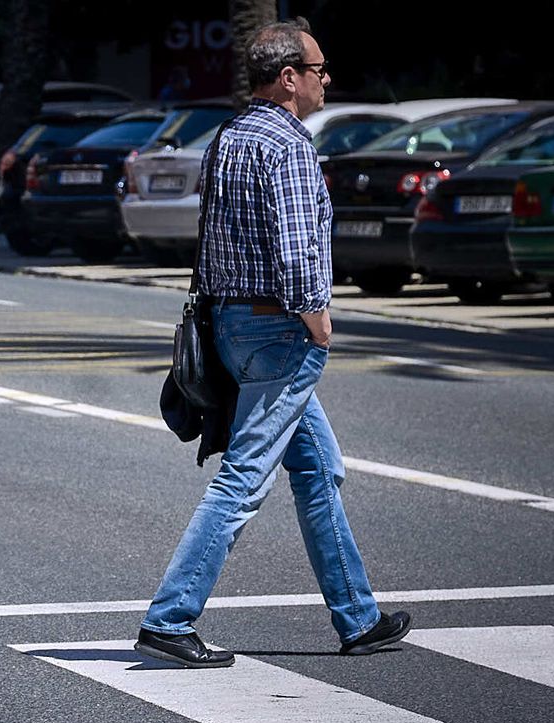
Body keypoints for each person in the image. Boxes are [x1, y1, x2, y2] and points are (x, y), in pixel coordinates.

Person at [134, 21, 412, 669]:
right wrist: (317, 317)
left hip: (231, 324)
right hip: (279, 330)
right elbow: (294, 248)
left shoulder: (227, 139)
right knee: (243, 480)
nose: (326, 79)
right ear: (289, 77)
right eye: (319, 69)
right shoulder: (287, 145)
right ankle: (169, 618)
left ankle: (358, 616)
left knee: (317, 468)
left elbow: (211, 240)